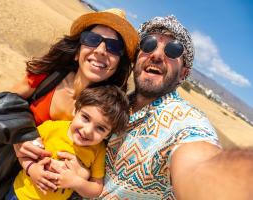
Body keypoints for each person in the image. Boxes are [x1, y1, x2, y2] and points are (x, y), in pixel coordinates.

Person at [98, 15, 253, 199]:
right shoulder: (114, 103)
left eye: (173, 50)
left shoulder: (185, 124)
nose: (156, 55)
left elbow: (200, 166)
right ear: (136, 57)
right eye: (148, 45)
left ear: (183, 74)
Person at [11, 7, 138, 192]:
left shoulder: (114, 110)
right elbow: (6, 105)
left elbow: (100, 171)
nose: (101, 50)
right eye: (93, 40)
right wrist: (19, 139)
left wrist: (82, 174)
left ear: (119, 64)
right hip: (9, 177)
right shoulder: (46, 75)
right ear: (78, 51)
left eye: (113, 47)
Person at [5, 85, 129, 200]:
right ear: (76, 110)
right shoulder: (50, 128)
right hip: (21, 195)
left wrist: (76, 182)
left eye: (100, 128)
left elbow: (96, 188)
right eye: (85, 118)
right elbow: (22, 153)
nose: (87, 131)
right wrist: (32, 170)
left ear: (108, 134)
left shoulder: (98, 150)